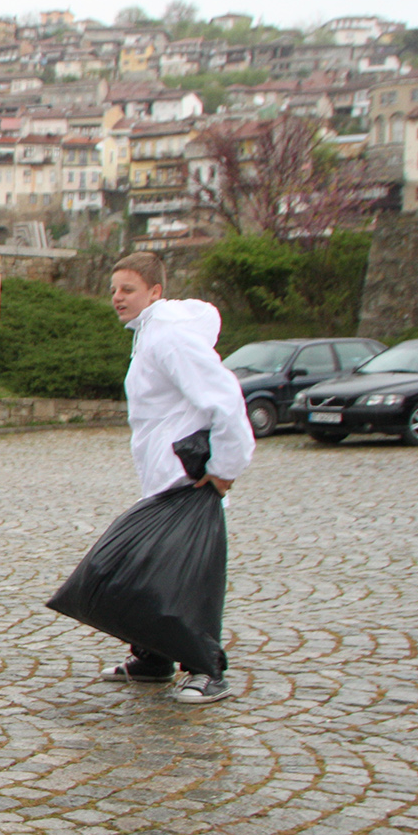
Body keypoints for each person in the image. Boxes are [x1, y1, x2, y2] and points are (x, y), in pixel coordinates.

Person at [102, 251, 253, 704]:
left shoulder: (168, 338)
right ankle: (153, 658)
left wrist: (225, 470)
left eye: (128, 289)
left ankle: (207, 669)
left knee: (191, 575)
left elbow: (224, 399)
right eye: (113, 290)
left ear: (155, 291)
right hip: (163, 477)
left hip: (189, 480)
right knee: (155, 569)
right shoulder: (150, 335)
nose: (117, 298)